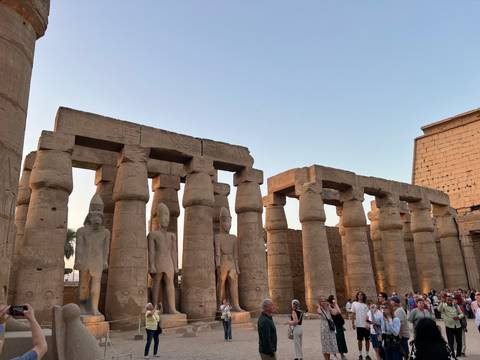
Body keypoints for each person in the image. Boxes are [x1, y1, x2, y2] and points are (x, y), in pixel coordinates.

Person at [352, 291, 372, 360]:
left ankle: (367, 354)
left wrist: (368, 324)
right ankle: (360, 354)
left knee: (367, 340)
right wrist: (353, 323)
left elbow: (368, 315)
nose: (360, 296)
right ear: (357, 296)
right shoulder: (354, 303)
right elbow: (353, 314)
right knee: (359, 340)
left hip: (366, 325)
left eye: (361, 295)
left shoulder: (366, 305)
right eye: (359, 295)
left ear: (363, 296)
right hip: (359, 325)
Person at [317, 296, 338, 360]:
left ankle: (334, 356)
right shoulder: (319, 309)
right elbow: (319, 312)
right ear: (320, 302)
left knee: (332, 343)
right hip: (324, 327)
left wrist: (334, 305)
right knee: (325, 344)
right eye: (322, 301)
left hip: (330, 327)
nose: (324, 302)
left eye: (325, 300)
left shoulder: (329, 308)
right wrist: (319, 306)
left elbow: (335, 313)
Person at [328, 295, 347, 359]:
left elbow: (339, 312)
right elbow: (335, 313)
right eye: (333, 299)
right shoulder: (329, 306)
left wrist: (335, 304)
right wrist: (335, 305)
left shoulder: (334, 305)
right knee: (334, 340)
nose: (334, 300)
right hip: (333, 325)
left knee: (341, 339)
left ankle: (342, 354)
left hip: (339, 325)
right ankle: (334, 355)